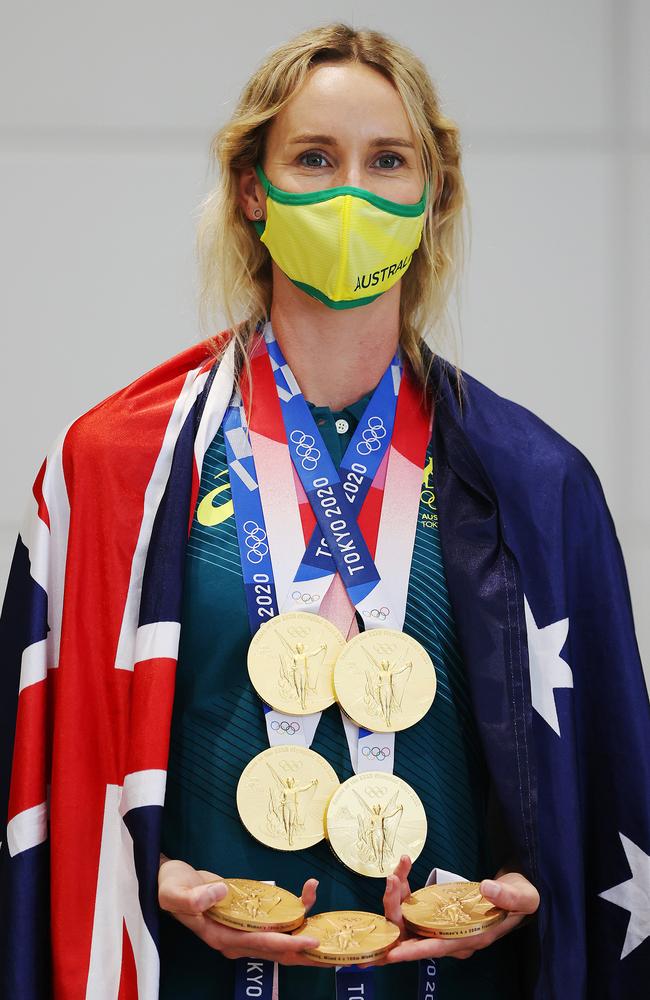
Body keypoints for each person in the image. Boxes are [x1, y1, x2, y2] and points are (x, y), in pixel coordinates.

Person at [1, 21, 649, 1000]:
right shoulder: (111, 470)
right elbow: (50, 784)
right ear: (251, 191)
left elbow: (592, 797)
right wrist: (142, 874)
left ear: (431, 199)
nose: (350, 189)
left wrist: (538, 881)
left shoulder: (537, 484)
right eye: (313, 157)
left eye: (387, 161)